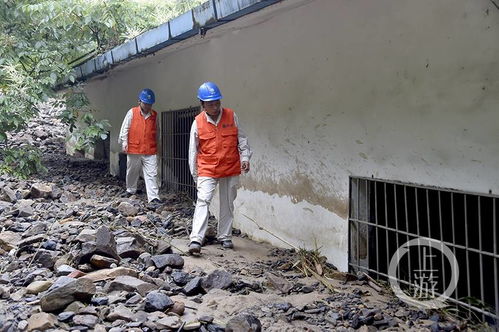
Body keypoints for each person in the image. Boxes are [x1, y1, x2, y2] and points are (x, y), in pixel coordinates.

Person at [188, 82, 252, 254]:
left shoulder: (231, 116)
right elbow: (192, 152)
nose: (215, 107)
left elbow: (242, 139)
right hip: (208, 169)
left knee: (228, 202)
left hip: (230, 167)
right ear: (202, 104)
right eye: (210, 104)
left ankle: (225, 236)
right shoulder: (198, 122)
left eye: (217, 102)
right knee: (203, 200)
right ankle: (196, 239)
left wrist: (245, 157)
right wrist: (196, 176)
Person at [118, 88, 161, 204]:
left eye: (149, 104)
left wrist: (157, 146)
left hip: (150, 149)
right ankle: (131, 190)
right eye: (145, 103)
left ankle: (154, 197)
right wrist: (124, 142)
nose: (147, 106)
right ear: (139, 102)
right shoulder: (132, 112)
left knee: (152, 173)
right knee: (132, 170)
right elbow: (125, 128)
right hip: (134, 148)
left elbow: (157, 131)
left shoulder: (155, 115)